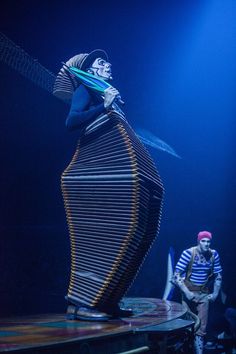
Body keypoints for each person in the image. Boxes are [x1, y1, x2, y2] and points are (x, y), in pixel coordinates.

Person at [53, 50, 164, 321]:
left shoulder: (110, 96)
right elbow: (71, 122)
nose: (108, 64)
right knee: (109, 236)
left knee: (144, 228)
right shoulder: (85, 90)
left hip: (121, 174)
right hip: (96, 174)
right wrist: (104, 105)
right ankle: (83, 303)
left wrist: (109, 102)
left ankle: (108, 300)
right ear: (90, 71)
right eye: (101, 62)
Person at [173, 231, 222, 354]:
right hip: (189, 291)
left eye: (208, 241)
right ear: (198, 241)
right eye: (203, 241)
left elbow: (218, 275)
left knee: (201, 327)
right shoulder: (188, 253)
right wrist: (186, 292)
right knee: (188, 323)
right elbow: (176, 275)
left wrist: (215, 294)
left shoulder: (213, 254)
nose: (206, 244)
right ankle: (185, 349)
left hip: (203, 293)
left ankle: (198, 352)